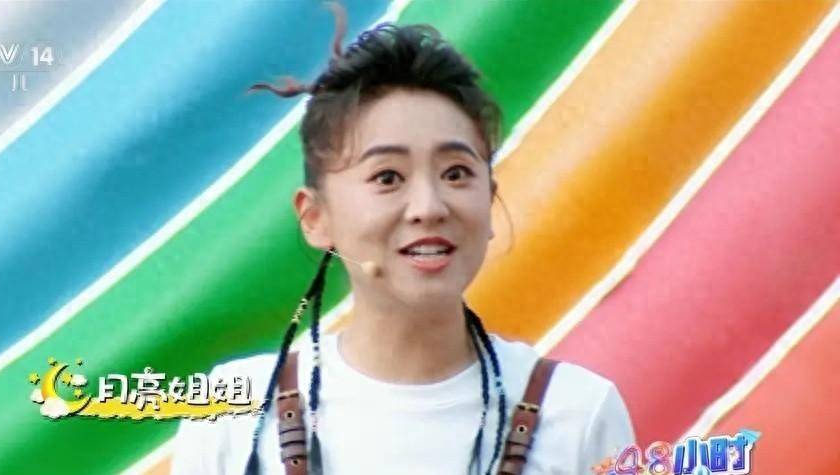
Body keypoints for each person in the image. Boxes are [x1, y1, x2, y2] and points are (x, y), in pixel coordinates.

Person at [171, 5, 635, 474]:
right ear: (315, 217)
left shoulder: (579, 415)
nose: (429, 207)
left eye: (456, 173)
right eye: (388, 177)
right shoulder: (231, 417)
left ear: (489, 200)